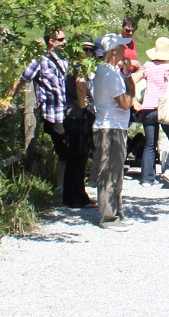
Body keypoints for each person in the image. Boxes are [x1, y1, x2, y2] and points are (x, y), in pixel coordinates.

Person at [8, 27, 70, 195]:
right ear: (51, 41)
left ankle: (66, 186)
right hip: (52, 113)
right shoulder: (39, 61)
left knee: (68, 149)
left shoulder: (65, 59)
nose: (65, 42)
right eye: (61, 39)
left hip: (66, 112)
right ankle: (60, 187)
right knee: (65, 148)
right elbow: (22, 79)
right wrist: (7, 100)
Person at [90, 33, 135, 230]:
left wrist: (127, 74)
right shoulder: (108, 74)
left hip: (116, 126)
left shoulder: (113, 71)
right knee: (109, 171)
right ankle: (108, 217)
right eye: (122, 48)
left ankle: (117, 211)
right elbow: (125, 103)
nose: (126, 51)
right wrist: (133, 97)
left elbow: (127, 94)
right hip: (110, 127)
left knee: (116, 171)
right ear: (114, 50)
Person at [132, 37, 169, 189]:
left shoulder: (147, 67)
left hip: (148, 108)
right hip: (165, 108)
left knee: (150, 144)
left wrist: (134, 101)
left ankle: (147, 179)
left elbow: (132, 80)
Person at [62, 35, 96, 209]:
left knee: (75, 158)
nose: (88, 53)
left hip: (72, 116)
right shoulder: (80, 67)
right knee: (79, 157)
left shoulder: (71, 66)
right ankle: (78, 198)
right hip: (78, 116)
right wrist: (83, 104)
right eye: (85, 49)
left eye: (91, 49)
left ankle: (71, 195)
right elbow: (81, 85)